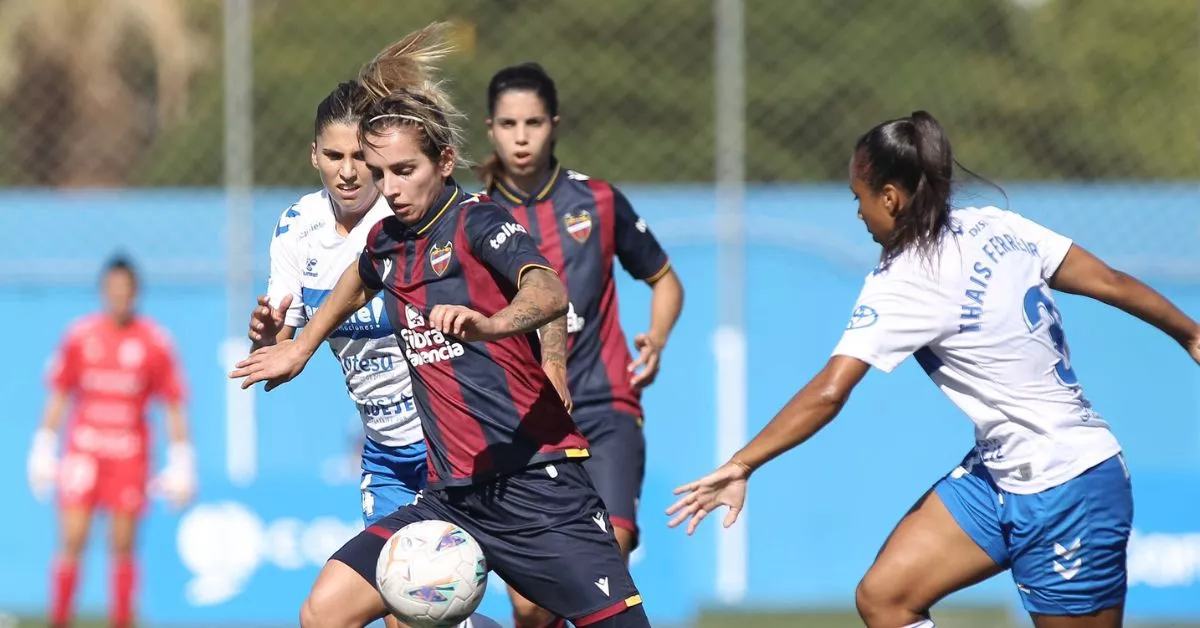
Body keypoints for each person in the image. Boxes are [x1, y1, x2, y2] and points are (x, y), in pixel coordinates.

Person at [667, 111, 1200, 628]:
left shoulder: (905, 280)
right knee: (886, 598)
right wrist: (1191, 333)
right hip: (997, 475)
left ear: (892, 198)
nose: (857, 214)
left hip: (1068, 486)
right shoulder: (999, 225)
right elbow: (1110, 281)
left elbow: (830, 392)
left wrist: (742, 464)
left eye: (860, 198)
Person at [231, 23, 650, 628]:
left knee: (563, 619)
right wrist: (300, 346)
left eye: (401, 170)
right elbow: (360, 277)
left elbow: (548, 289)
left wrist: (494, 330)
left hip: (533, 484)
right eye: (383, 173)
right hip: (450, 494)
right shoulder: (387, 239)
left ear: (445, 161)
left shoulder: (478, 223)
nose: (389, 187)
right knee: (324, 612)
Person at [478, 62, 684, 628]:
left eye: (534, 122)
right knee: (531, 606)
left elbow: (665, 279)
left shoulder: (597, 200)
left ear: (555, 125)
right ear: (491, 129)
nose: (522, 137)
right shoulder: (472, 218)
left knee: (606, 558)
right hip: (523, 422)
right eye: (509, 124)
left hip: (604, 403)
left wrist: (658, 339)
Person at [249, 79, 427, 531]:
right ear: (314, 155)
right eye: (333, 156)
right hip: (384, 451)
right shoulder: (296, 227)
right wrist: (268, 337)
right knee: (385, 597)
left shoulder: (406, 217)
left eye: (359, 157)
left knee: (525, 605)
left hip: (448, 441)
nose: (347, 172)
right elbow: (282, 349)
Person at [28, 256, 195, 628]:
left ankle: (121, 621)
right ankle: (60, 620)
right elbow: (60, 393)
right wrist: (43, 446)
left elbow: (172, 403)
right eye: (113, 289)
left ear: (135, 293)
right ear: (104, 291)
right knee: (72, 539)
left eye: (126, 289)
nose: (119, 296)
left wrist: (182, 460)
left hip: (129, 457)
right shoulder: (80, 335)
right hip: (84, 453)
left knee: (122, 546)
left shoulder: (154, 341)